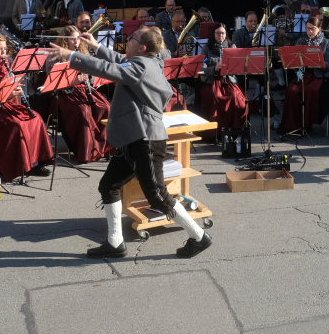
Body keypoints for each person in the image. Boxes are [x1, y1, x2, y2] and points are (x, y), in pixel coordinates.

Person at [54, 25, 212, 259]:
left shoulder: (141, 66)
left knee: (157, 195)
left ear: (142, 47)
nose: (128, 40)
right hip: (133, 138)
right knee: (109, 186)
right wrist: (96, 46)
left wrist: (73, 56)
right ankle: (115, 242)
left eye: (132, 38)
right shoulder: (149, 60)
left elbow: (111, 69)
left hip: (145, 140)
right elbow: (121, 61)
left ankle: (199, 237)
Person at [0, 34, 53, 179]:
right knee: (18, 125)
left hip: (5, 106)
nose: (3, 52)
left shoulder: (5, 64)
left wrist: (15, 89)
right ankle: (20, 166)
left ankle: (36, 163)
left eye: (5, 49)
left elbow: (9, 88)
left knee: (36, 118)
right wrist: (7, 94)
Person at [43, 26, 110, 163]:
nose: (76, 42)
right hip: (64, 94)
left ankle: (103, 148)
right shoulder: (55, 56)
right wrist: (72, 81)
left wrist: (88, 77)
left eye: (78, 39)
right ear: (65, 40)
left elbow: (93, 75)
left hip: (84, 90)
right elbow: (52, 81)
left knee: (106, 107)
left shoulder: (82, 53)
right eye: (73, 39)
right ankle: (85, 150)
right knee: (83, 111)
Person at [280, 15, 329, 132]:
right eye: (307, 28)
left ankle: (307, 124)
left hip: (318, 75)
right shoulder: (301, 40)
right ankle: (294, 124)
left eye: (312, 29)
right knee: (292, 90)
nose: (309, 31)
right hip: (304, 74)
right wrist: (297, 69)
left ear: (319, 29)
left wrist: (318, 62)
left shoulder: (327, 42)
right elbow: (294, 60)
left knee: (311, 90)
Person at [199, 23, 249, 132]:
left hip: (228, 79)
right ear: (213, 34)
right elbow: (202, 69)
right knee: (215, 96)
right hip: (213, 80)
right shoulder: (206, 48)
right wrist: (215, 67)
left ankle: (234, 130)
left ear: (226, 34)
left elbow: (239, 68)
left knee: (236, 97)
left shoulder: (232, 46)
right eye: (218, 33)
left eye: (223, 33)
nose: (220, 36)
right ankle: (216, 132)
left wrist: (236, 61)